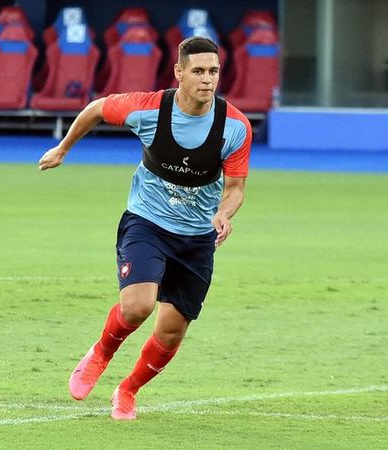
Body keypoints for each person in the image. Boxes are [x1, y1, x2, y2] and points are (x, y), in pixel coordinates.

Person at [37, 36, 252, 421]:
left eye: (214, 72)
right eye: (199, 71)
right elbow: (96, 108)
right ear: (179, 72)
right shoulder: (148, 108)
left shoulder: (234, 126)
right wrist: (64, 148)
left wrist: (224, 213)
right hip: (147, 221)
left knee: (171, 332)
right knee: (137, 306)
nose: (207, 80)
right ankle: (100, 354)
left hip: (197, 237)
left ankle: (128, 390)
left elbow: (236, 189)